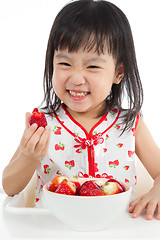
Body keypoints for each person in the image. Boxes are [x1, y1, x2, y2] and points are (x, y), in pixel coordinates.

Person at [2, 0, 160, 220]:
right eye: (65, 64)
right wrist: (29, 157)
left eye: (92, 66)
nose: (76, 78)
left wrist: (156, 191)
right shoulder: (44, 123)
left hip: (117, 231)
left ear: (118, 73)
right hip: (52, 230)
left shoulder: (130, 123)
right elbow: (9, 187)